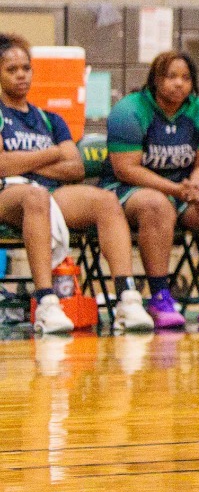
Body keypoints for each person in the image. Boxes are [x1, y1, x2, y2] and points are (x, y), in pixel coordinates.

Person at [0, 35, 153, 333]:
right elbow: (2, 165)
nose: (21, 75)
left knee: (105, 201)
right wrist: (53, 153)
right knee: (35, 197)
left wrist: (27, 159)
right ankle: (47, 301)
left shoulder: (50, 119)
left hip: (49, 193)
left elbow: (76, 168)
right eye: (12, 69)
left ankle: (128, 297)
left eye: (26, 68)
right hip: (9, 193)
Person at [104, 51, 199, 330]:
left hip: (182, 191)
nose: (179, 84)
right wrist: (174, 188)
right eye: (171, 77)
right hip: (129, 191)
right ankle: (160, 298)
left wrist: (196, 184)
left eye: (185, 78)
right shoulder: (129, 110)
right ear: (156, 79)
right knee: (156, 204)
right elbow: (126, 168)